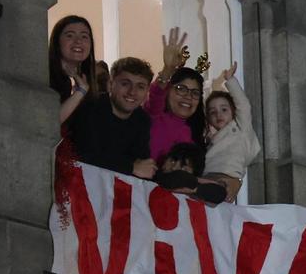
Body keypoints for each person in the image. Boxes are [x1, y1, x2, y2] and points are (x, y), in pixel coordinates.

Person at [65, 57, 156, 179]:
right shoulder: (90, 108)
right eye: (125, 84)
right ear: (110, 84)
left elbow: (143, 165)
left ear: (146, 92)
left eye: (140, 87)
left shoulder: (142, 119)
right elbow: (86, 156)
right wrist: (131, 167)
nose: (132, 92)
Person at [203, 62, 261, 202]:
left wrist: (230, 80)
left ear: (233, 111)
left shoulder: (241, 128)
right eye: (213, 112)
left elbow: (244, 106)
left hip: (226, 179)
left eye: (224, 109)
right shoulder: (210, 139)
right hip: (206, 177)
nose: (219, 115)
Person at [145, 28, 205, 164]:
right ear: (168, 91)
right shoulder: (154, 116)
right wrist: (167, 69)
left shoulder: (196, 136)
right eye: (181, 89)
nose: (188, 97)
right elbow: (156, 95)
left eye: (195, 93)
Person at [48, 15, 96, 124]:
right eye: (70, 36)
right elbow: (50, 123)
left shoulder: (85, 79)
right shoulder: (45, 76)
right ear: (57, 42)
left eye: (84, 36)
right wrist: (81, 91)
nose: (78, 41)